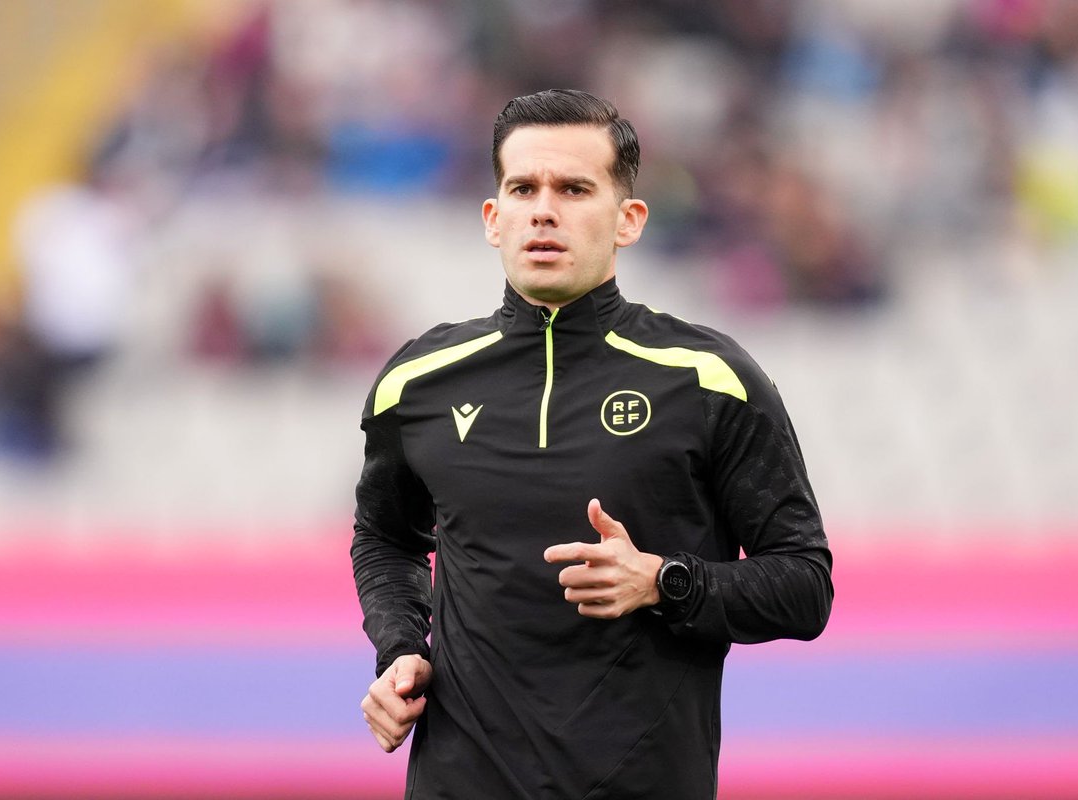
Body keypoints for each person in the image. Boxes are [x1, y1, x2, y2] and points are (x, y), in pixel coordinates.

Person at [351, 89, 833, 800]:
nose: (544, 209)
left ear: (627, 219)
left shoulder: (709, 380)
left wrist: (664, 581)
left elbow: (803, 586)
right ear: (494, 218)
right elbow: (384, 539)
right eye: (523, 188)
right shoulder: (416, 383)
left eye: (575, 188)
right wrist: (399, 649)